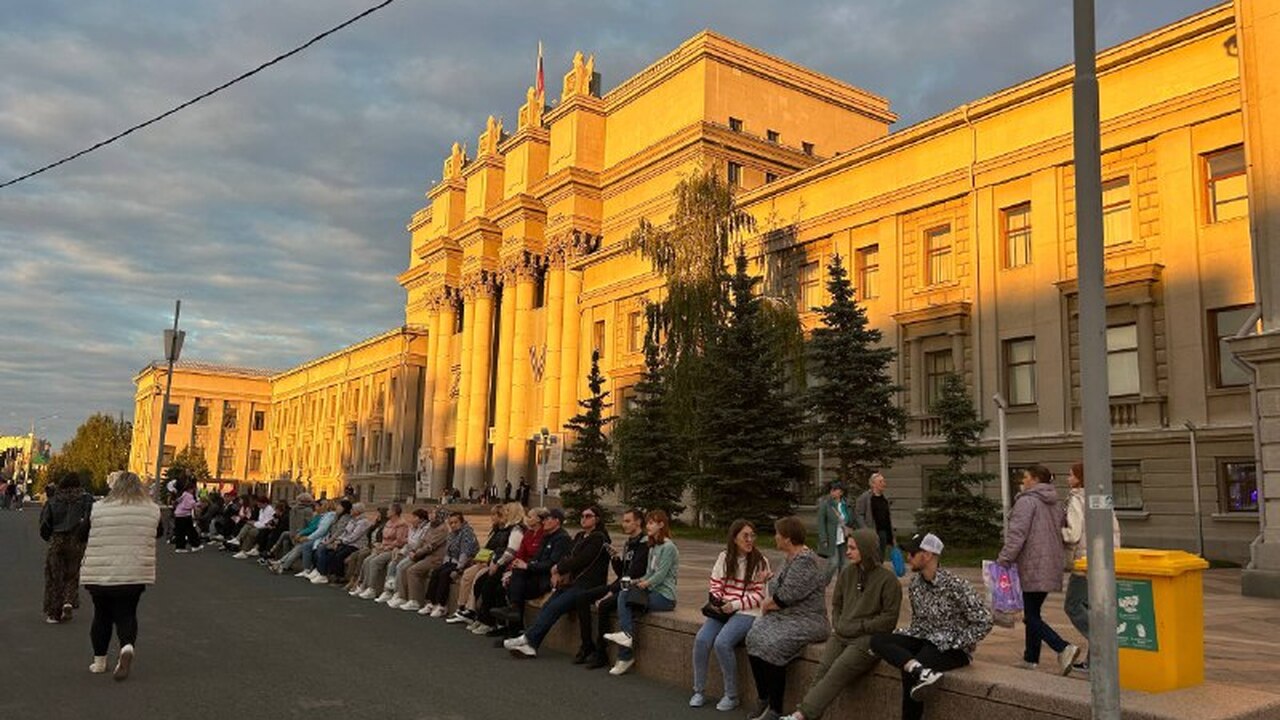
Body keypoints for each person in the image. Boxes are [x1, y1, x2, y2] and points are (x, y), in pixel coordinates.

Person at [781, 529, 902, 720]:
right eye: (848, 547)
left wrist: (860, 626)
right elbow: (837, 604)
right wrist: (839, 623)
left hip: (867, 640)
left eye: (853, 548)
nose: (847, 552)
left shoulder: (888, 581)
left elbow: (889, 619)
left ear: (867, 549)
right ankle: (807, 715)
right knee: (822, 671)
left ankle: (800, 715)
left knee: (837, 671)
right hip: (841, 634)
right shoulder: (847, 573)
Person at [870, 533, 993, 720]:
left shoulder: (956, 585)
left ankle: (915, 684)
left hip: (954, 649)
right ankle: (921, 671)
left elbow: (984, 621)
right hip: (925, 638)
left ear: (926, 555)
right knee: (878, 640)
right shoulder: (915, 585)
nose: (908, 557)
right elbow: (919, 624)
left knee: (912, 666)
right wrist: (901, 637)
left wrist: (954, 640)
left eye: (912, 553)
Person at [743, 516, 829, 720]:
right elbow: (779, 589)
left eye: (778, 534)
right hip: (784, 616)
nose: (775, 537)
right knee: (753, 636)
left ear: (788, 539)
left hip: (808, 619)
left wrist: (766, 604)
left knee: (774, 644)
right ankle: (763, 697)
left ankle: (775, 708)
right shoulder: (790, 557)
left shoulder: (805, 561)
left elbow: (785, 597)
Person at [79, 471, 161, 681]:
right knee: (127, 613)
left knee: (101, 615)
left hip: (100, 572)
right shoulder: (151, 510)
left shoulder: (99, 508)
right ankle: (126, 648)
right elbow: (158, 532)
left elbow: (82, 534)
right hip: (134, 572)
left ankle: (99, 662)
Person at [999, 465, 1079, 675]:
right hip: (1051, 562)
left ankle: (1063, 647)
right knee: (1033, 612)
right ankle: (1030, 658)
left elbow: (1017, 534)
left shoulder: (1026, 501)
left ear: (1035, 480)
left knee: (1030, 616)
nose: (1021, 481)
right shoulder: (1055, 501)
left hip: (1032, 564)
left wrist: (1004, 559)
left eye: (1025, 477)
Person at [505, 505, 611, 657]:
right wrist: (558, 570)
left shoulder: (599, 538)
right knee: (548, 605)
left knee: (555, 607)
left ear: (597, 519)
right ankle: (531, 645)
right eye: (582, 516)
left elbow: (580, 560)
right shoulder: (580, 536)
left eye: (588, 516)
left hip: (588, 585)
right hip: (571, 582)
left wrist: (557, 568)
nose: (583, 519)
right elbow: (568, 556)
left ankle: (527, 638)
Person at [690, 519, 772, 711]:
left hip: (748, 611)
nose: (750, 539)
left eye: (752, 535)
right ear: (734, 538)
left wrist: (734, 604)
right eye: (745, 536)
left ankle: (731, 695)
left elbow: (759, 596)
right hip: (723, 610)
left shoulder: (761, 561)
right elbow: (715, 583)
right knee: (702, 639)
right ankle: (698, 690)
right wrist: (719, 602)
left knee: (722, 642)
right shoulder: (724, 557)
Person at [1061, 461, 1122, 672]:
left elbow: (1074, 533)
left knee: (1073, 606)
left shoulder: (1077, 499)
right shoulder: (1103, 498)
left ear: (1079, 477)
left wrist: (1058, 532)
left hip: (1085, 563)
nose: (1068, 479)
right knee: (1095, 609)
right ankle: (1092, 661)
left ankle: (1102, 644)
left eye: (1070, 475)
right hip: (1105, 561)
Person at [604, 509, 679, 676]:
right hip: (652, 591)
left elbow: (660, 575)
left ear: (661, 525)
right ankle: (625, 650)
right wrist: (634, 581)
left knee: (626, 598)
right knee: (626, 594)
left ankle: (625, 653)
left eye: (652, 523)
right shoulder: (654, 546)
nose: (648, 526)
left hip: (665, 596)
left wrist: (644, 584)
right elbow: (649, 573)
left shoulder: (668, 547)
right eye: (648, 523)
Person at [578, 507, 650, 669]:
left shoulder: (643, 544)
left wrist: (610, 592)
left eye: (627, 521)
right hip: (621, 584)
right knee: (582, 597)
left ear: (638, 522)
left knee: (604, 605)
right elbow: (622, 572)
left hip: (631, 588)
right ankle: (586, 645)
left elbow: (633, 574)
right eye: (623, 521)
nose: (623, 524)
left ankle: (601, 653)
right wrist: (615, 558)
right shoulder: (629, 542)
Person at [468, 506, 545, 634]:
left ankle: (493, 622)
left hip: (525, 570)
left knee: (493, 586)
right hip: (513, 566)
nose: (505, 513)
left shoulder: (518, 530)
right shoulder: (526, 532)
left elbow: (512, 552)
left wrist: (499, 563)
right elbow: (519, 553)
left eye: (508, 511)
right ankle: (489, 620)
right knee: (483, 583)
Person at [497, 507, 571, 637]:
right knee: (513, 580)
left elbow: (552, 563)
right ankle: (514, 625)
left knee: (516, 584)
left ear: (557, 521)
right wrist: (524, 565)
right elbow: (536, 559)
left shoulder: (562, 538)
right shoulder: (546, 537)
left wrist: (527, 566)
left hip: (545, 580)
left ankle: (514, 626)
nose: (544, 522)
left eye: (548, 519)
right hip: (535, 576)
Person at [40, 471, 94, 623]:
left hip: (57, 539)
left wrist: (48, 536)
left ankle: (53, 613)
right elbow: (92, 519)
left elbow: (45, 524)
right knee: (72, 573)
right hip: (77, 540)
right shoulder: (87, 499)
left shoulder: (53, 500)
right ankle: (68, 601)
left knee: (54, 576)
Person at [446, 503, 515, 622]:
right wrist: (480, 558)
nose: (492, 517)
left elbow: (501, 550)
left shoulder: (508, 531)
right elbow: (487, 547)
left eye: (494, 515)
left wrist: (488, 560)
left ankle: (471, 609)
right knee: (468, 574)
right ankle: (461, 607)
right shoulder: (496, 530)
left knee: (478, 576)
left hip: (494, 562)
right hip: (485, 560)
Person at [391, 507, 450, 611]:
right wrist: (414, 551)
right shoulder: (431, 527)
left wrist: (417, 553)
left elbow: (431, 546)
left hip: (435, 558)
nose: (431, 516)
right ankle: (403, 597)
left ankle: (415, 600)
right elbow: (422, 541)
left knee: (413, 571)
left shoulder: (443, 529)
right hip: (423, 555)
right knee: (403, 567)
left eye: (433, 513)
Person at [422, 511, 479, 616]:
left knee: (445, 574)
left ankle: (442, 605)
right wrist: (444, 564)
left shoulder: (467, 533)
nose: (453, 525)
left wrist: (458, 569)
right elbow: (448, 552)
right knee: (436, 572)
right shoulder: (452, 534)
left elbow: (465, 553)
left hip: (465, 563)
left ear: (462, 522)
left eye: (455, 522)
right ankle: (431, 602)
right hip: (451, 561)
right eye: (451, 523)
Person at [350, 503, 408, 596]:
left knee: (375, 561)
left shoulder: (402, 524)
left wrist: (386, 547)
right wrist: (380, 545)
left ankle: (372, 589)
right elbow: (383, 538)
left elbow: (400, 541)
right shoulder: (388, 523)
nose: (387, 512)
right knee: (367, 560)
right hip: (383, 547)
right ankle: (363, 586)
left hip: (393, 550)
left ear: (394, 512)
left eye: (389, 510)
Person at [313, 503, 374, 584]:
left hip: (356, 545)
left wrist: (341, 541)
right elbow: (345, 533)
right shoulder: (352, 520)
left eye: (353, 509)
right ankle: (325, 574)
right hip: (346, 542)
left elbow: (354, 536)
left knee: (339, 555)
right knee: (331, 552)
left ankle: (340, 577)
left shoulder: (363, 522)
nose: (351, 511)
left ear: (358, 511)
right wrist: (339, 540)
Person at [816, 481, 852, 581]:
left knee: (844, 564)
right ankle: (823, 582)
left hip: (844, 537)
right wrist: (823, 539)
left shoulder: (846, 505)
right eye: (832, 490)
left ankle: (841, 586)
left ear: (841, 492)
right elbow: (821, 523)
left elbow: (850, 519)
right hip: (832, 537)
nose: (832, 492)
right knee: (834, 563)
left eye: (835, 490)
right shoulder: (826, 504)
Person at [855, 472, 894, 555]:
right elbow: (859, 515)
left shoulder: (884, 499)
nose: (884, 484)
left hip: (883, 532)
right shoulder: (865, 498)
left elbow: (887, 517)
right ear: (873, 484)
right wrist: (866, 530)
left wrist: (891, 537)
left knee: (880, 557)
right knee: (871, 556)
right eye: (880, 482)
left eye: (884, 481)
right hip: (871, 532)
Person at [171, 480, 203, 553]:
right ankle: (195, 545)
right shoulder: (189, 496)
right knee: (190, 530)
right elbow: (189, 505)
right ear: (190, 489)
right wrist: (197, 504)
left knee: (180, 531)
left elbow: (178, 502)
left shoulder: (183, 494)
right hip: (185, 515)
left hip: (178, 514)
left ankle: (179, 547)